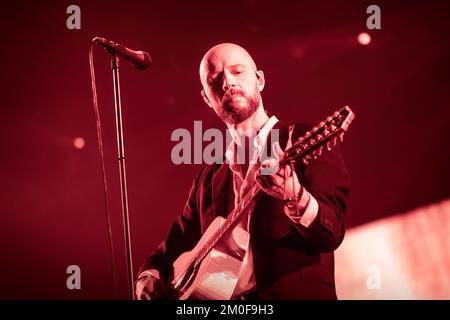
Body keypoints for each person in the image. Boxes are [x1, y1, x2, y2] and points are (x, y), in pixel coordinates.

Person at [135, 43, 350, 300]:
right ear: (206, 97)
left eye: (238, 71)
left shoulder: (299, 139)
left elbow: (331, 232)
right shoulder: (209, 178)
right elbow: (172, 246)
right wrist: (148, 276)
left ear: (259, 80)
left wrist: (296, 196)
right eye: (215, 80)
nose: (227, 82)